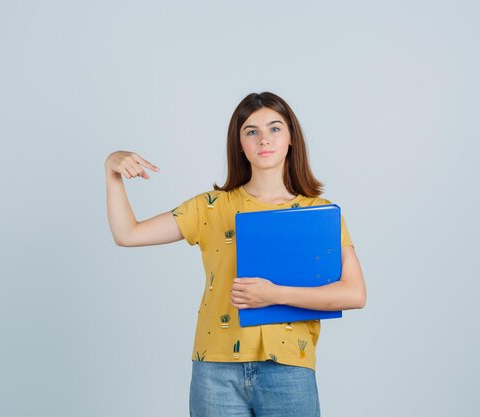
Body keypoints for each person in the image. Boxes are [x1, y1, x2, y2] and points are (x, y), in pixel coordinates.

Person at [104, 91, 366, 417]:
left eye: (274, 128)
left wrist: (273, 294)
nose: (263, 139)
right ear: (239, 143)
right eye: (251, 131)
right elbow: (127, 234)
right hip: (216, 370)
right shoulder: (211, 206)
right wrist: (112, 170)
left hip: (288, 368)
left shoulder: (320, 214)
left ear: (291, 138)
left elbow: (354, 293)